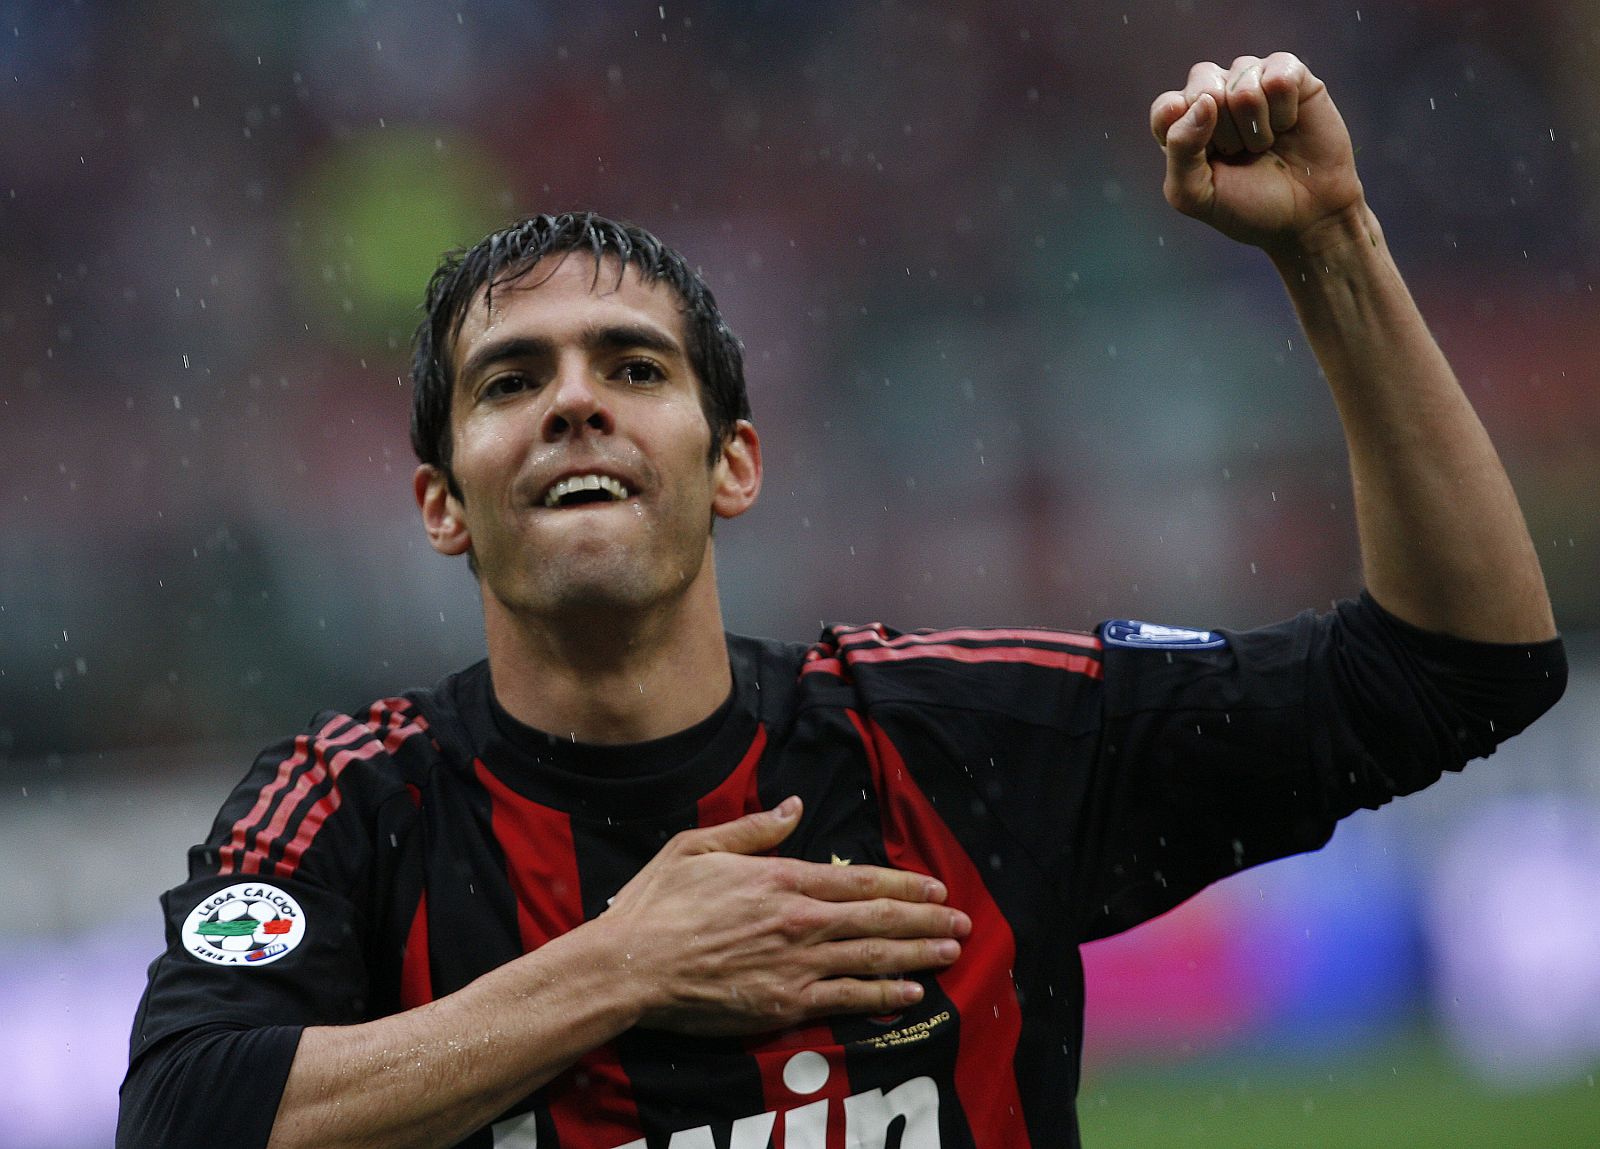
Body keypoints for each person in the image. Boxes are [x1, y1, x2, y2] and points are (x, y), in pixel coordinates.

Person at [117, 53, 1566, 1149]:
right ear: (442, 498)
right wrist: (621, 965)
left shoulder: (943, 735)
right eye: (512, 382)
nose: (574, 406)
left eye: (632, 368)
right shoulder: (355, 805)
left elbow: (1457, 667)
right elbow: (181, 1114)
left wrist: (1331, 247)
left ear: (732, 461)